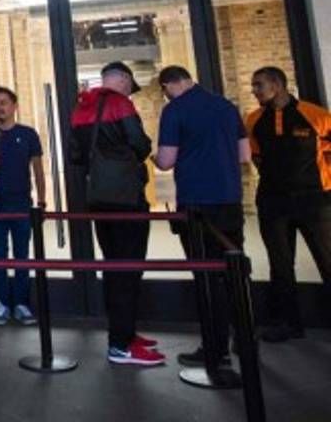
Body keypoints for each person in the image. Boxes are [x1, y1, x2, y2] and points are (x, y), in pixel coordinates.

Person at [153, 65, 249, 369]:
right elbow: (244, 155)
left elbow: (166, 161)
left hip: (196, 204)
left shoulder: (174, 111)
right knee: (234, 272)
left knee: (206, 278)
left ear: (169, 84)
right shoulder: (226, 106)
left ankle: (214, 348)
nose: (165, 95)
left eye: (164, 90)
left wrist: (154, 158)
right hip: (230, 201)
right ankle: (246, 341)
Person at [70, 61, 163, 366]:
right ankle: (121, 345)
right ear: (122, 80)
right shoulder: (121, 104)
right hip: (126, 199)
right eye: (129, 85)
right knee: (129, 268)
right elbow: (140, 144)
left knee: (114, 267)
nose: (129, 91)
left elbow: (75, 155)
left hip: (97, 198)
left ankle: (125, 333)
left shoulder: (81, 106)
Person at [244, 65, 331, 343]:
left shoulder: (314, 115)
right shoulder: (254, 119)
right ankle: (289, 324)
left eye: (259, 85)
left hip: (314, 201)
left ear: (278, 86)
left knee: (327, 260)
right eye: (253, 85)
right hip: (273, 202)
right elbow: (254, 155)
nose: (254, 90)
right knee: (280, 265)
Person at [0, 86, 43, 326]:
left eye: (3, 102)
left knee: (22, 253)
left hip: (21, 203)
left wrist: (42, 201)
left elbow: (37, 169)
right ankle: (2, 303)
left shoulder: (28, 134)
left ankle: (22, 304)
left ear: (14, 106)